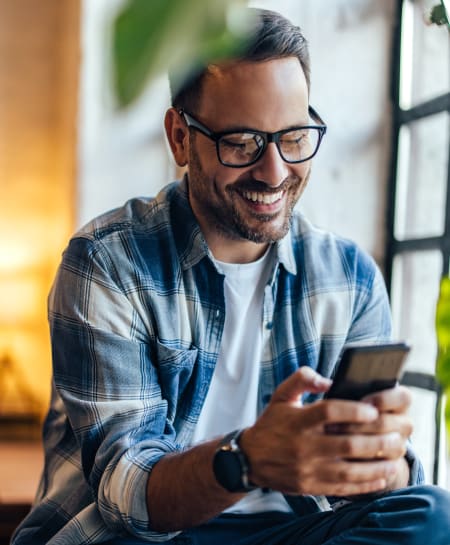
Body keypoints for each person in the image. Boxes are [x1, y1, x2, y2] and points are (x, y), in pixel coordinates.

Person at [12, 8, 450, 545]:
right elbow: (126, 490)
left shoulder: (349, 277)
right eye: (242, 142)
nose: (273, 172)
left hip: (290, 529)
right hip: (142, 536)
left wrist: (383, 460)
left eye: (293, 137)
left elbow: (368, 489)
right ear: (180, 137)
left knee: (431, 513)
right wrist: (247, 462)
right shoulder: (107, 262)